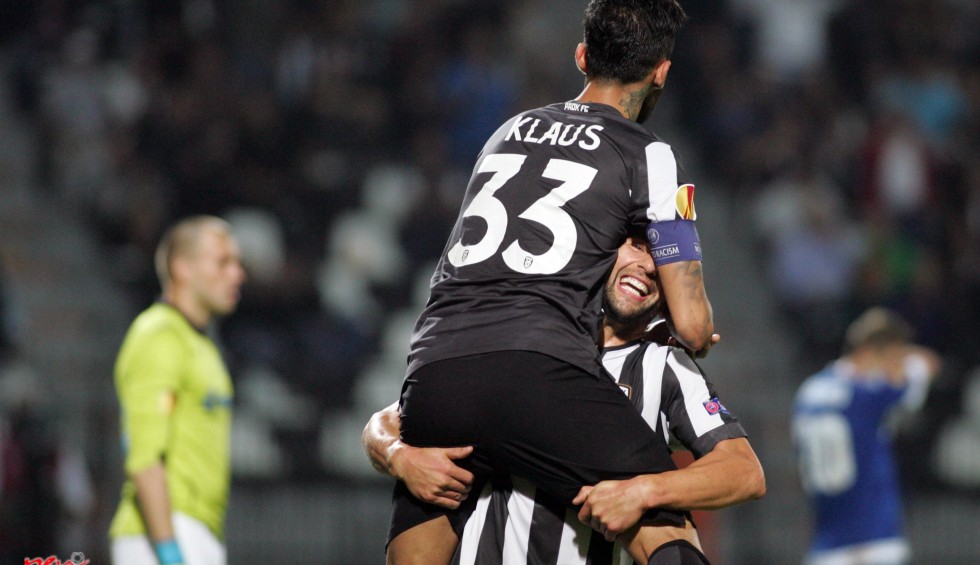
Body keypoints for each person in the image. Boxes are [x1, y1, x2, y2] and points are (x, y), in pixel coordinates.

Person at [389, 1, 715, 563]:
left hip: (435, 368)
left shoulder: (508, 130)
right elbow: (691, 324)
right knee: (665, 524)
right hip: (539, 368)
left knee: (412, 558)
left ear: (582, 56)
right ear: (661, 71)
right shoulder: (651, 154)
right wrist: (700, 329)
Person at [366, 234, 764, 564]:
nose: (646, 266)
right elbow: (389, 420)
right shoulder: (522, 340)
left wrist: (644, 491)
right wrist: (399, 456)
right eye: (637, 246)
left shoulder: (665, 367)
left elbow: (744, 472)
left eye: (661, 261)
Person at [109, 216, 246, 565]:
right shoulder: (159, 335)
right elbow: (143, 456)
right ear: (182, 267)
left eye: (238, 263)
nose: (237, 274)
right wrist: (169, 551)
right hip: (162, 533)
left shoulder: (201, 345)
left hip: (196, 531)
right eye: (223, 262)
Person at [792, 307, 940, 565]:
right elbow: (928, 363)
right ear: (869, 352)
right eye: (893, 359)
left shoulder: (810, 390)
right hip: (874, 538)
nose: (894, 368)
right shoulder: (869, 392)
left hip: (826, 541)